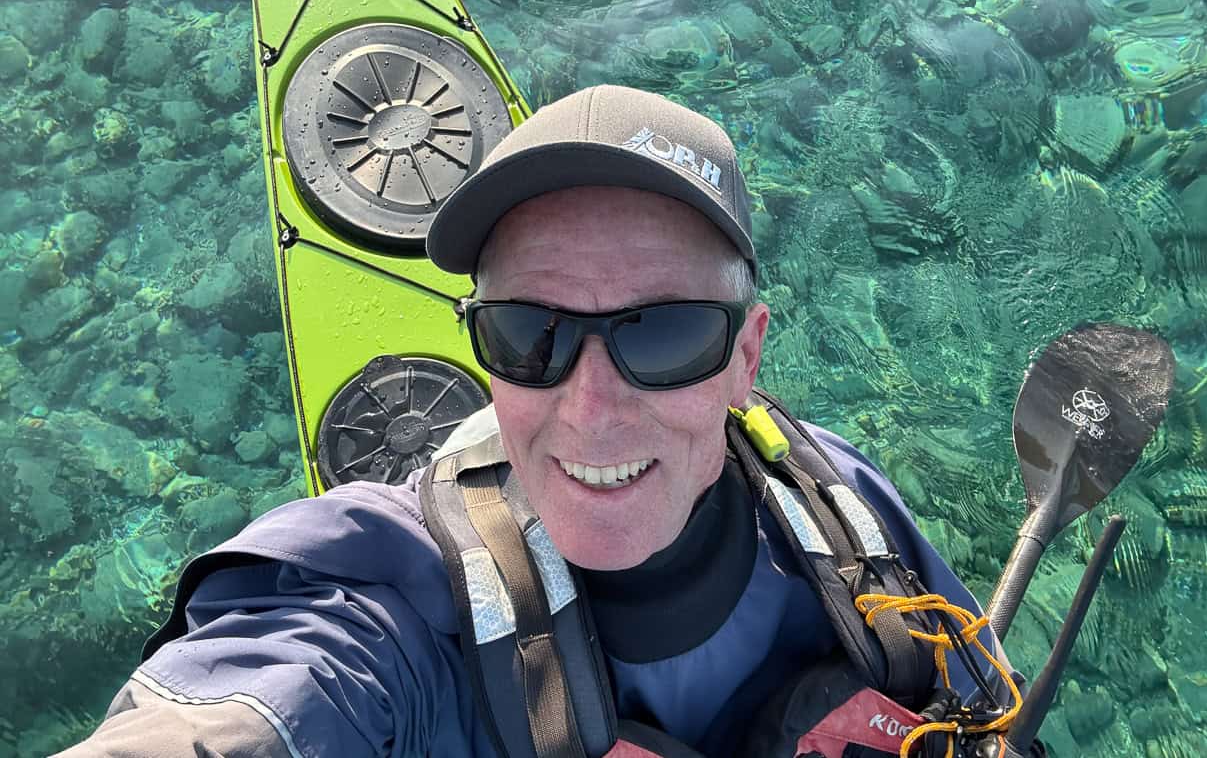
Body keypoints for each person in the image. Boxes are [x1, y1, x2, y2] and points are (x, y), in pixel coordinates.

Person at [58, 85, 1017, 758]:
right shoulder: (387, 607)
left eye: (666, 332)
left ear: (747, 358)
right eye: (528, 335)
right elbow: (261, 694)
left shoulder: (843, 516)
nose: (590, 409)